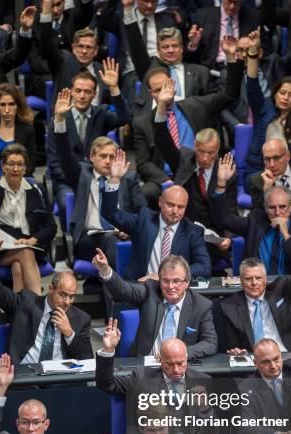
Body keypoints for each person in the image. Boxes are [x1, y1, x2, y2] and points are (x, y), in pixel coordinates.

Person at [134, 38, 243, 207]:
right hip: (166, 177)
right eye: (157, 90)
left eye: (165, 86)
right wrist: (165, 182)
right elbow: (143, 163)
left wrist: (230, 57)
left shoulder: (196, 105)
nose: (163, 92)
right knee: (145, 193)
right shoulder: (142, 122)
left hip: (200, 170)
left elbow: (230, 94)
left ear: (173, 84)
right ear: (150, 93)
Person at [53, 89, 146, 269]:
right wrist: (59, 119)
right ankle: (125, 292)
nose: (108, 161)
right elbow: (64, 153)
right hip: (89, 239)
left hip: (122, 235)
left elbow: (142, 212)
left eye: (112, 156)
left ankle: (118, 293)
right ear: (91, 157)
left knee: (130, 242)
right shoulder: (81, 174)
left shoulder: (128, 177)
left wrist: (130, 228)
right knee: (112, 243)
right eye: (103, 156)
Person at [0, 116, 56, 294]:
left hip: (26, 245)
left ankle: (20, 316)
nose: (15, 169)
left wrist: (33, 239)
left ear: (25, 168)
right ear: (3, 167)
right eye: (11, 164)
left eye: (19, 165)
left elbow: (51, 226)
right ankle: (39, 308)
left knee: (18, 268)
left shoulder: (33, 190)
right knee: (25, 254)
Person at [220, 210, 291, 354]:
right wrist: (236, 352)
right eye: (248, 279)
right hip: (256, 363)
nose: (254, 283)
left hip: (288, 357)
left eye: (258, 278)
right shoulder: (229, 306)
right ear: (240, 280)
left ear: (265, 279)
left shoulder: (283, 291)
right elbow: (232, 347)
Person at [0, 227, 93, 364]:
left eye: (72, 297)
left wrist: (69, 334)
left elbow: (88, 360)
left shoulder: (82, 319)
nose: (67, 302)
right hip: (26, 375)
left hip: (59, 379)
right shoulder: (25, 302)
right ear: (51, 288)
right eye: (63, 295)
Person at [100, 153, 211, 280]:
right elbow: (110, 213)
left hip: (174, 290)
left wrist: (168, 276)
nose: (175, 211)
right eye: (170, 205)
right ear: (160, 202)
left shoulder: (192, 232)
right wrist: (114, 180)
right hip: (141, 290)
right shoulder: (144, 219)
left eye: (180, 207)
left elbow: (204, 267)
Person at [153, 95, 236, 263]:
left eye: (211, 153)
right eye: (201, 151)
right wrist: (162, 105)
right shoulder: (184, 159)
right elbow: (163, 140)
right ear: (194, 146)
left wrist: (228, 238)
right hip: (184, 227)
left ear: (218, 149)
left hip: (213, 232)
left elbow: (231, 211)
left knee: (202, 252)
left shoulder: (227, 171)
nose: (205, 158)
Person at [46, 66, 130, 230]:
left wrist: (114, 87)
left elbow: (124, 117)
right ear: (71, 92)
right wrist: (78, 180)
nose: (82, 95)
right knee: (66, 201)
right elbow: (55, 163)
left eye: (87, 91)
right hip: (68, 181)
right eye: (78, 90)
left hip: (99, 176)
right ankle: (69, 242)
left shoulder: (102, 114)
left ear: (94, 94)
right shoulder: (58, 120)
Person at [92, 250, 217, 358]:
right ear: (159, 280)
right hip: (145, 365)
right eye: (165, 281)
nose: (170, 286)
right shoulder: (150, 290)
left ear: (187, 283)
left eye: (176, 281)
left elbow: (210, 343)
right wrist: (105, 270)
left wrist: (180, 354)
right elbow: (124, 290)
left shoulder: (201, 305)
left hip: (179, 367)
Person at [211, 156, 291, 274]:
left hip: (288, 288)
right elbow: (222, 219)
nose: (278, 212)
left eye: (282, 207)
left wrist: (286, 235)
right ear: (265, 207)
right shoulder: (255, 221)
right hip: (256, 286)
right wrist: (221, 184)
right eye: (272, 207)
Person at [244, 27, 291, 190]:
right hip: (259, 172)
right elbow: (252, 85)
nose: (285, 98)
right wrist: (253, 53)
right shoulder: (263, 108)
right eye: (282, 93)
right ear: (275, 94)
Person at [39, 0, 106, 105]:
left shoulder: (102, 70)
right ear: (73, 48)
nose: (84, 51)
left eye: (89, 47)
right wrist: (47, 9)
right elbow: (47, 44)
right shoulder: (62, 65)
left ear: (96, 51)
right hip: (66, 118)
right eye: (80, 46)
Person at [28, 0, 94, 99]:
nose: (55, 10)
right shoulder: (33, 25)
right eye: (51, 6)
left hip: (74, 71)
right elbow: (35, 62)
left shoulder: (73, 16)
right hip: (46, 74)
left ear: (64, 2)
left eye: (59, 4)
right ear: (43, 5)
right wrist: (59, 69)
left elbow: (86, 14)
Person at [187, 0, 261, 71]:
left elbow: (265, 51)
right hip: (211, 71)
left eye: (236, 2)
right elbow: (189, 59)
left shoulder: (253, 17)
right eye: (229, 1)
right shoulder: (203, 15)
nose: (232, 6)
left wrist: (256, 47)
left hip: (243, 68)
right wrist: (194, 44)